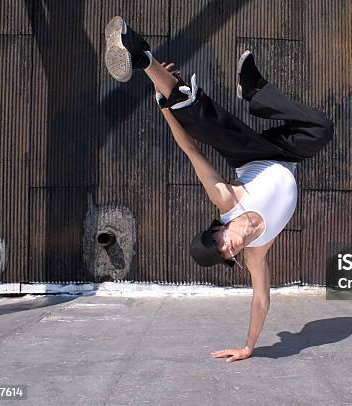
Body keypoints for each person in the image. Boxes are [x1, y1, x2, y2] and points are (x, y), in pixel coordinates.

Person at [104, 16, 334, 362]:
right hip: (287, 158)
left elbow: (191, 150)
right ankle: (256, 93)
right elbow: (261, 301)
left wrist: (163, 106)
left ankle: (141, 56)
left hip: (252, 157)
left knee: (200, 120)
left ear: (220, 229)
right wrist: (249, 346)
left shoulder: (226, 200)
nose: (228, 249)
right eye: (226, 256)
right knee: (321, 128)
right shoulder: (256, 252)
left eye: (219, 243)